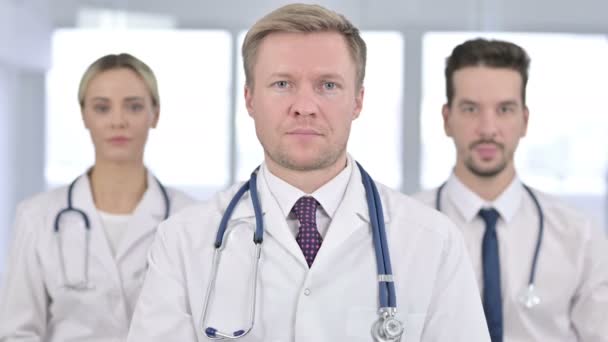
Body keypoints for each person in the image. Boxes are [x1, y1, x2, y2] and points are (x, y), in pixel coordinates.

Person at [126, 4, 490, 342]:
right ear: (250, 99)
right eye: (282, 84)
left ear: (358, 100)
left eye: (328, 85)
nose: (304, 107)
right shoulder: (182, 242)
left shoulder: (433, 242)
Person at [413, 38, 608, 341]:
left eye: (504, 109)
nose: (488, 128)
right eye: (470, 109)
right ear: (447, 119)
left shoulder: (578, 236)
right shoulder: (403, 229)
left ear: (524, 120)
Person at [0, 53, 195, 341]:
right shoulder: (37, 217)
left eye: (134, 106)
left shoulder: (189, 218)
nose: (118, 121)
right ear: (84, 115)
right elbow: (17, 332)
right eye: (102, 108)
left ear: (155, 114)